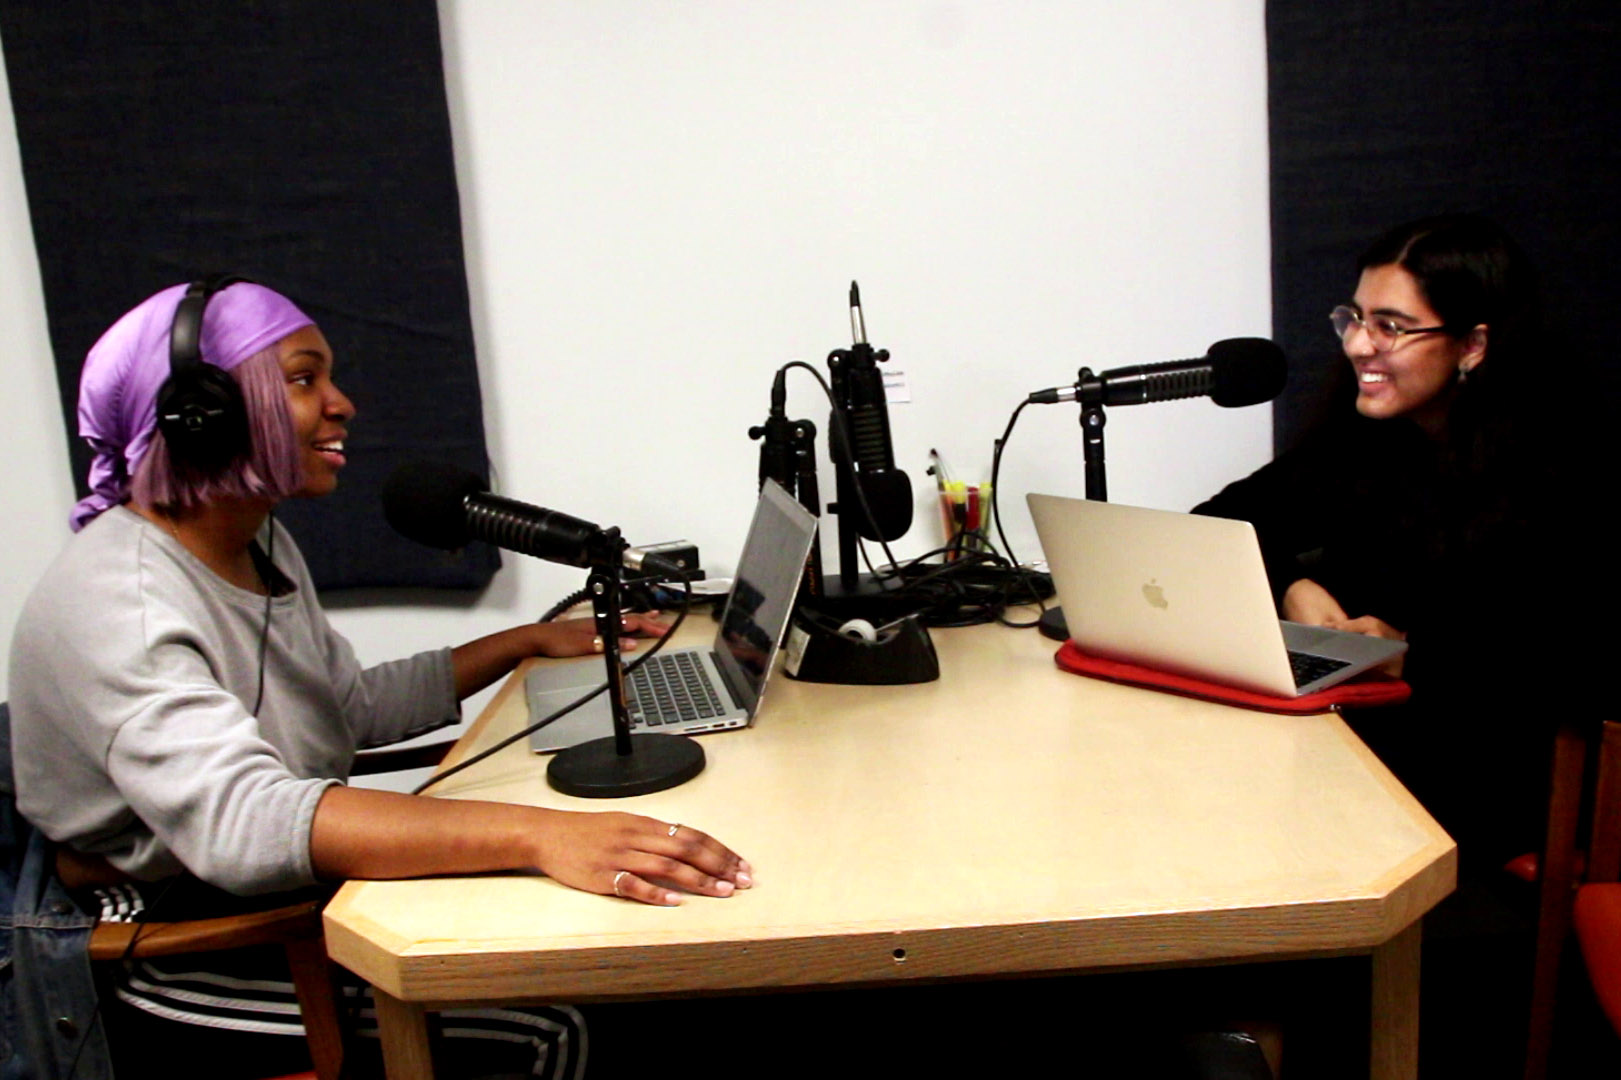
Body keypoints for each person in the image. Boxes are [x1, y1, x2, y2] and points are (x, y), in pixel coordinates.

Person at [6, 280, 751, 1077]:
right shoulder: (125, 603)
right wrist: (539, 834)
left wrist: (522, 642)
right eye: (303, 378)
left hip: (270, 898)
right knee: (553, 1021)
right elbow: (248, 826)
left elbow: (345, 708)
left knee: (604, 956)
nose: (342, 404)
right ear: (204, 413)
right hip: (158, 949)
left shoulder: (255, 542)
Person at [1194, 214, 1591, 875]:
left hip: (1494, 785)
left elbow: (1559, 673)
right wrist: (1290, 585)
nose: (1356, 344)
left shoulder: (1559, 471)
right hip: (1366, 752)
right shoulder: (1362, 441)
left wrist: (1405, 663)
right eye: (1353, 318)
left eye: (1390, 326)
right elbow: (1214, 528)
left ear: (1471, 345)